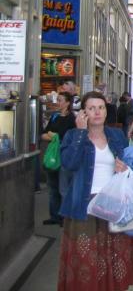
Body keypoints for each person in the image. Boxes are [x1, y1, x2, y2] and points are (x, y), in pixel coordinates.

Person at [57, 91, 133, 290]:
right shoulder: (72, 135)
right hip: (83, 205)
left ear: (106, 111)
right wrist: (80, 132)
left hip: (114, 203)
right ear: (83, 112)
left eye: (101, 107)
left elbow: (130, 165)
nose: (97, 112)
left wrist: (124, 168)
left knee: (114, 256)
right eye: (91, 108)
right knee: (86, 258)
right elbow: (69, 163)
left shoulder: (116, 135)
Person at [41, 90, 76, 226]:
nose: (58, 102)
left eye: (60, 100)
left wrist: (54, 136)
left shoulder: (71, 119)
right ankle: (54, 216)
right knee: (52, 186)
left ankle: (65, 217)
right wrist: (52, 136)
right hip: (52, 156)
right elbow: (44, 134)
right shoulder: (54, 117)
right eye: (58, 99)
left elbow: (69, 138)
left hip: (64, 156)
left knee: (63, 187)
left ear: (67, 103)